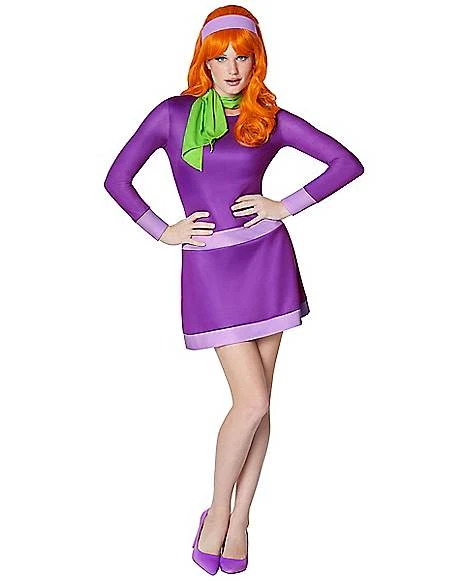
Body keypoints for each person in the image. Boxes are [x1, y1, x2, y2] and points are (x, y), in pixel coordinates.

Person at [104, 5, 364, 574]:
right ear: (204, 61)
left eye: (241, 57)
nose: (231, 67)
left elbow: (346, 163)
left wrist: (284, 205)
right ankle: (217, 511)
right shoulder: (171, 115)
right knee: (253, 401)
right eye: (219, 57)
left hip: (268, 262)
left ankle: (241, 519)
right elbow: (116, 178)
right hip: (210, 269)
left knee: (260, 401)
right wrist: (162, 230)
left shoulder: (267, 118)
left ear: (255, 61)